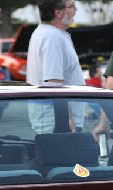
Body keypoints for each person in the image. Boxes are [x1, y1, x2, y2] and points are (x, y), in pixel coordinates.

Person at [27, 0, 85, 133]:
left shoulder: (49, 33)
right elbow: (53, 84)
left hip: (56, 122)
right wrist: (68, 120)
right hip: (58, 124)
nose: (76, 10)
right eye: (72, 6)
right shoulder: (53, 37)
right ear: (58, 12)